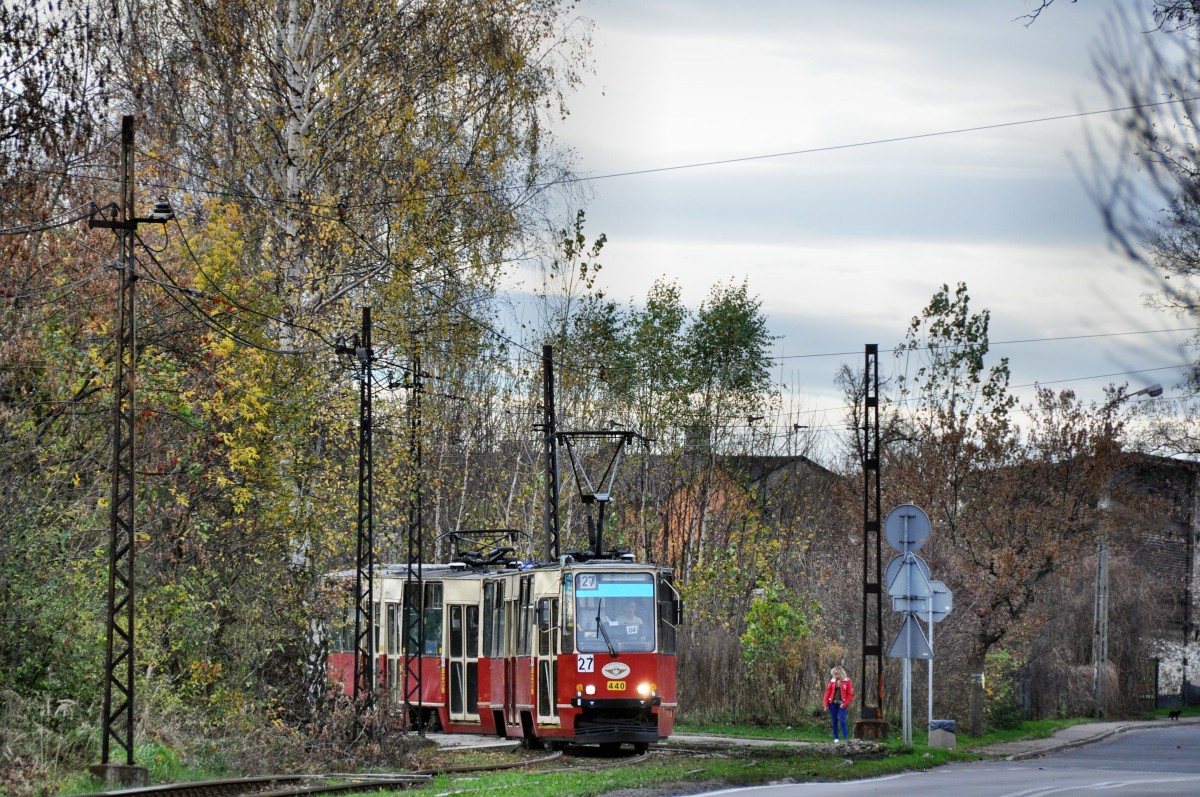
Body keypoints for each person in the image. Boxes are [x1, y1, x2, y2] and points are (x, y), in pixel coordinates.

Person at [823, 666, 854, 743]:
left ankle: (845, 739)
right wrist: (825, 704)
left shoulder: (847, 681)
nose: (834, 676)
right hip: (832, 704)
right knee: (834, 720)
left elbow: (850, 694)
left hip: (842, 705)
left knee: (843, 721)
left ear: (840, 673)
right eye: (833, 674)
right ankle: (836, 738)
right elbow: (827, 693)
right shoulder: (832, 681)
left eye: (836, 674)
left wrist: (845, 704)